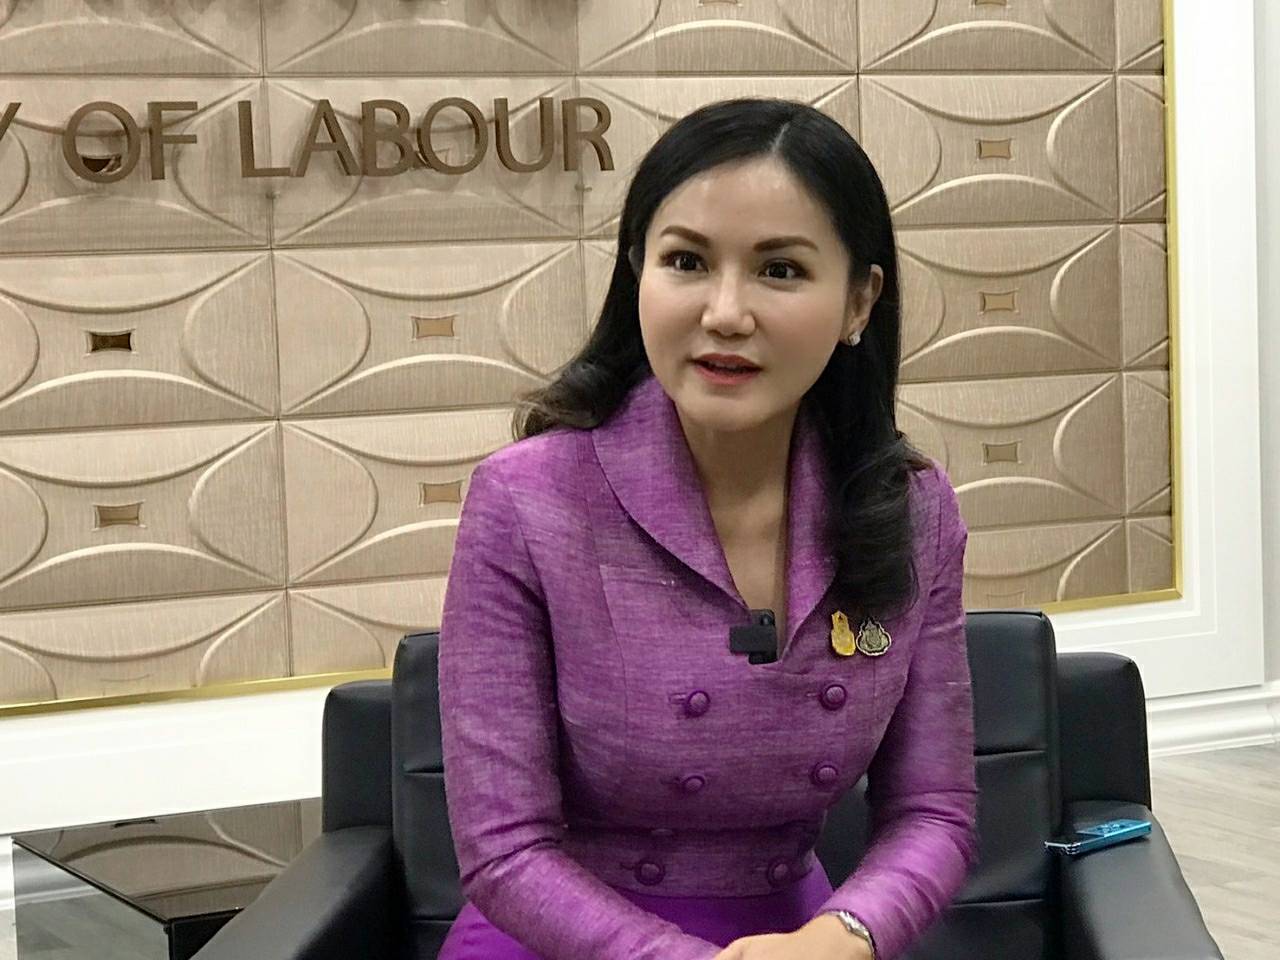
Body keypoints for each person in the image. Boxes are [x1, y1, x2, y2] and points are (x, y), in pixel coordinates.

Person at [435, 97, 978, 960]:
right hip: (565, 942)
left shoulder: (913, 509)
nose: (725, 312)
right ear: (636, 276)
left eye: (781, 270)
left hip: (799, 943)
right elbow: (504, 851)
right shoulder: (528, 500)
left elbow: (934, 811)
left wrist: (848, 933)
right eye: (686, 261)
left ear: (859, 302)